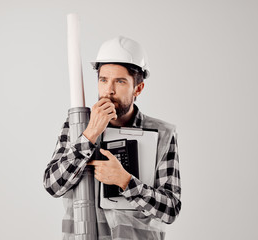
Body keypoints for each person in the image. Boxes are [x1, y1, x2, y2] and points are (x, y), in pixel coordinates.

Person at [43, 36, 181, 240]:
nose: (109, 90)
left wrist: (125, 181)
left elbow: (170, 209)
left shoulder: (163, 134)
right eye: (103, 80)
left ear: (138, 89)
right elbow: (53, 185)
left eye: (120, 81)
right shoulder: (76, 126)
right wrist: (89, 135)